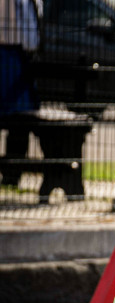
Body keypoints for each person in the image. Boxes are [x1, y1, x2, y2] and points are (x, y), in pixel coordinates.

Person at [0, 0, 40, 190]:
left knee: (21, 120)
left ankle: (12, 174)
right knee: (12, 116)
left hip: (24, 56)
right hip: (7, 52)